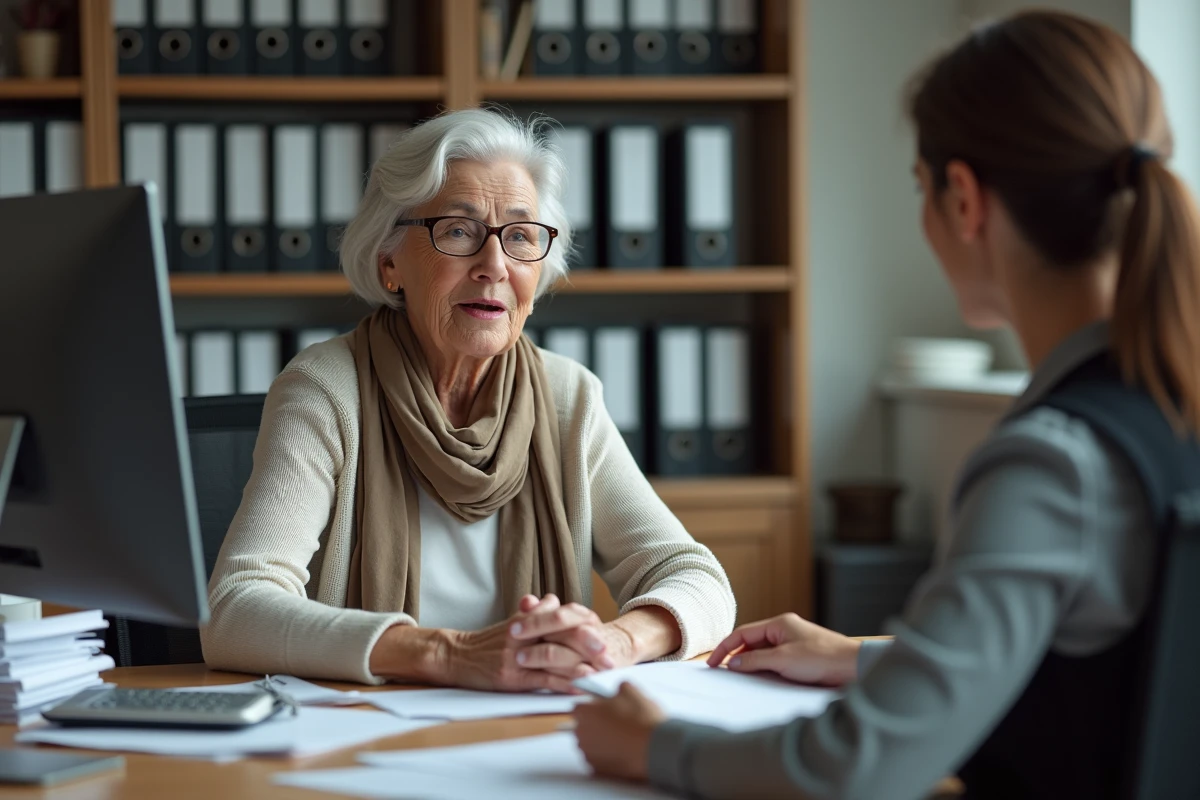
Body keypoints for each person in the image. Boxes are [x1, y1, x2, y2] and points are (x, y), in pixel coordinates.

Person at [573, 11, 1200, 798]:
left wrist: (658, 746)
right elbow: (1086, 671)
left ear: (964, 199)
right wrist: (858, 656)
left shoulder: (1055, 463)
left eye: (920, 187)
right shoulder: (1165, 406)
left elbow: (855, 767)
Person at [200, 108, 736, 690]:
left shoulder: (567, 398)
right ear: (389, 264)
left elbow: (694, 576)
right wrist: (449, 654)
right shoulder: (327, 390)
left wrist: (615, 641)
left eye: (521, 236)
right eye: (458, 231)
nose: (495, 265)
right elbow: (234, 611)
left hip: (527, 730)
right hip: (365, 736)